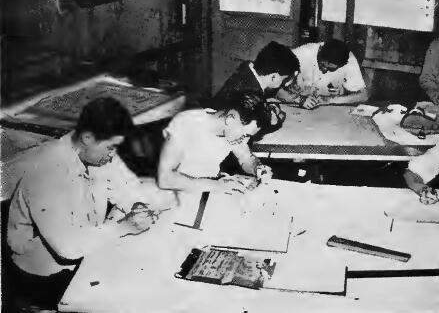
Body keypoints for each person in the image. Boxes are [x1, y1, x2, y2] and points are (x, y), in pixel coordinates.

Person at [5, 97, 171, 310]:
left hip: (88, 252)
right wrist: (124, 226)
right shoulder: (47, 170)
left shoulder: (96, 153)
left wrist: (137, 206)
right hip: (44, 277)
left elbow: (128, 188)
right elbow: (67, 247)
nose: (113, 156)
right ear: (87, 137)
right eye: (111, 148)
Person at [157, 93, 274, 193]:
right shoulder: (185, 123)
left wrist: (257, 167)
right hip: (182, 191)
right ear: (231, 118)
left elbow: (245, 157)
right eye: (245, 134)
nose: (244, 138)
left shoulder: (232, 131)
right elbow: (165, 179)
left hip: (209, 187)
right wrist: (217, 186)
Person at [213, 41, 300, 134]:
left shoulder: (247, 71)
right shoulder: (250, 93)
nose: (285, 84)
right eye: (284, 79)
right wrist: (275, 118)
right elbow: (260, 124)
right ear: (273, 77)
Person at [278, 39, 368, 109]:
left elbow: (363, 95)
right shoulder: (301, 54)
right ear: (320, 50)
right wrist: (299, 99)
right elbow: (270, 86)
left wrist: (331, 100)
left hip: (328, 112)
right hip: (293, 105)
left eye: (331, 69)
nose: (324, 71)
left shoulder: (349, 60)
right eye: (321, 65)